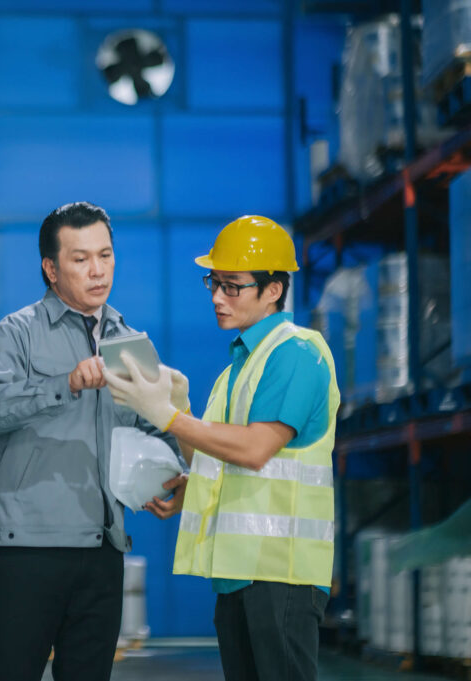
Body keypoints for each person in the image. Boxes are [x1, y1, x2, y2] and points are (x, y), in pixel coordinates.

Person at [102, 215, 340, 681]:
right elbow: (215, 456)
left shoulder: (296, 352)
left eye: (233, 286)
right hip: (238, 576)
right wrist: (186, 449)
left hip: (281, 575)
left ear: (273, 289)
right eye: (214, 282)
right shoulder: (237, 369)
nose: (217, 297)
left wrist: (170, 417)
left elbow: (255, 450)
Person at [0, 201, 182, 681]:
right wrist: (65, 383)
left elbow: (149, 430)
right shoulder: (16, 333)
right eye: (81, 258)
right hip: (25, 549)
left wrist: (169, 474)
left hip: (103, 552)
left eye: (105, 256)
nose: (98, 270)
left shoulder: (130, 342)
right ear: (50, 268)